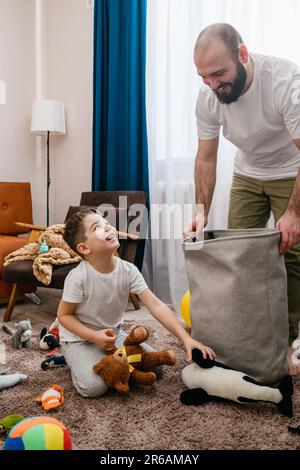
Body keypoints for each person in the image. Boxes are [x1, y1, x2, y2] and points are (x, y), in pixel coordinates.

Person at [185, 23, 300, 375]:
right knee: (240, 254)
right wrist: (200, 211)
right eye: (204, 77)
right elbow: (206, 158)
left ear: (243, 55)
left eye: (219, 74)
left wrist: (294, 213)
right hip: (248, 173)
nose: (213, 85)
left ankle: (291, 340)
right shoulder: (208, 97)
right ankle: (248, 336)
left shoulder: (285, 82)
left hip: (290, 170)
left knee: (291, 254)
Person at [57, 209, 215, 398]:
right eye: (97, 227)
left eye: (105, 222)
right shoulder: (78, 277)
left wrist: (186, 339)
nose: (107, 226)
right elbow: (64, 315)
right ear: (84, 248)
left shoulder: (128, 270)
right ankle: (69, 355)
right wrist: (93, 336)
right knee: (94, 387)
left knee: (156, 368)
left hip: (113, 334)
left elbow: (155, 305)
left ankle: (116, 363)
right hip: (79, 340)